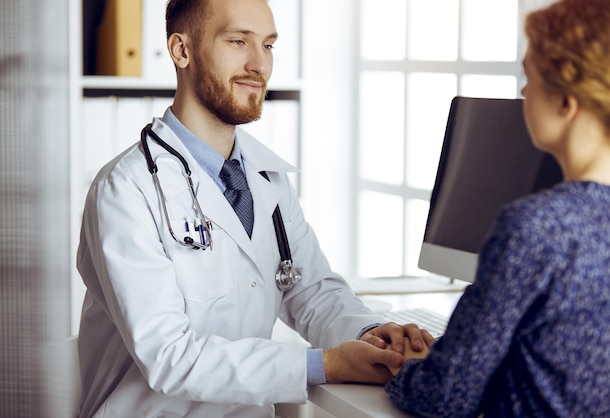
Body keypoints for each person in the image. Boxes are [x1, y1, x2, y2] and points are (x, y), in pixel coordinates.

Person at [76, 0, 432, 417]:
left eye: (268, 45)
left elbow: (311, 291)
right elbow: (169, 357)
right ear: (181, 50)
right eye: (238, 41)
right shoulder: (125, 188)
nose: (259, 64)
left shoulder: (267, 179)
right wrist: (326, 365)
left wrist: (372, 334)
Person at [384, 0, 610, 416]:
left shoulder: (536, 228)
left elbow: (446, 395)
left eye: (531, 77)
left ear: (566, 101)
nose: (523, 91)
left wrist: (412, 368)